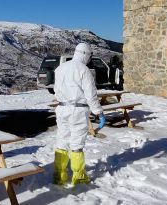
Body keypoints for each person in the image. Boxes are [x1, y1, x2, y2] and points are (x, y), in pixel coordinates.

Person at [53, 43, 106, 186]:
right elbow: (91, 95)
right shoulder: (84, 70)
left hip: (62, 108)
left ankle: (59, 175)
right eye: (89, 56)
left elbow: (56, 89)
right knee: (77, 143)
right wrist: (99, 112)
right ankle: (79, 176)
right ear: (86, 55)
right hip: (78, 110)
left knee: (62, 140)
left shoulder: (60, 68)